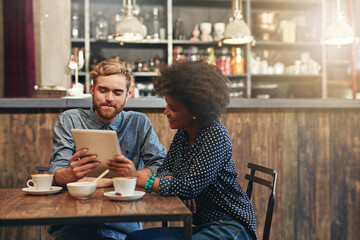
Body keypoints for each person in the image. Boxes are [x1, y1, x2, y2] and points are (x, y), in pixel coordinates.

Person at [108, 60, 257, 240]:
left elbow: (189, 187)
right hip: (202, 226)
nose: (166, 112)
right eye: (167, 105)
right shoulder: (184, 133)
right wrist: (177, 187)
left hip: (230, 226)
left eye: (174, 108)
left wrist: (137, 177)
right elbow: (166, 171)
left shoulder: (215, 135)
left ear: (195, 110)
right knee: (134, 238)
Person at [48, 58, 166, 240]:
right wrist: (71, 174)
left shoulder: (138, 122)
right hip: (73, 225)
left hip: (123, 225)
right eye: (103, 90)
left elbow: (162, 166)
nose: (109, 98)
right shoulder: (69, 119)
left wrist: (111, 180)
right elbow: (55, 173)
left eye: (117, 92)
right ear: (93, 90)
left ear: (128, 95)